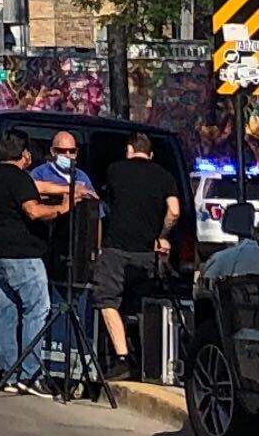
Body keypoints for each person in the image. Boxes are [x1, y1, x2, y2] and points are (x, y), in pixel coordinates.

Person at [96, 130, 181, 384]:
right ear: (151, 154)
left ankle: (122, 359)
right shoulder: (164, 176)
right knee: (143, 303)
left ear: (129, 150)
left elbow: (105, 206)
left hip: (116, 249)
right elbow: (174, 211)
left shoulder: (115, 170)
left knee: (107, 300)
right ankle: (151, 362)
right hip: (147, 251)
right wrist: (162, 234)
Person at [0, 127, 55, 394]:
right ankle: (29, 373)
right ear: (25, 154)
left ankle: (9, 373)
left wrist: (70, 189)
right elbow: (33, 210)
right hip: (23, 256)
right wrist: (60, 208)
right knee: (37, 309)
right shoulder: (19, 177)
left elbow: (37, 187)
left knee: (7, 312)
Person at [33, 129, 101, 396]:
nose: (68, 156)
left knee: (78, 316)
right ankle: (45, 370)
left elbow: (97, 215)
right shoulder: (40, 174)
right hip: (48, 255)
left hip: (78, 259)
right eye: (63, 151)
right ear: (53, 152)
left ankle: (75, 376)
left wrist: (96, 250)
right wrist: (70, 194)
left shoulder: (83, 178)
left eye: (72, 152)